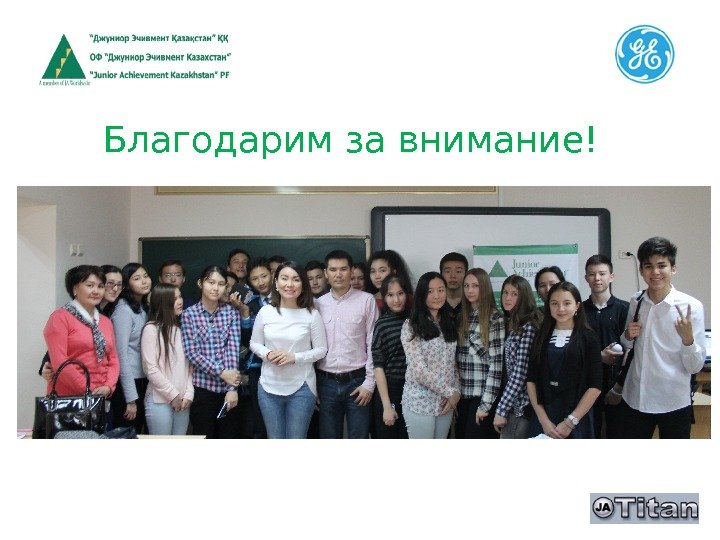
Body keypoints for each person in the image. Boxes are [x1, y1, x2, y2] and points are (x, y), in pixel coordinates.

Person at [617, 237, 705, 439]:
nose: (655, 272)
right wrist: (627, 335)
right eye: (648, 266)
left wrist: (688, 340)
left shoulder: (691, 307)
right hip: (635, 398)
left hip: (673, 402)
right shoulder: (636, 301)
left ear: (673, 268)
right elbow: (627, 343)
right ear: (641, 270)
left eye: (662, 265)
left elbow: (695, 367)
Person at [250, 261, 328, 438]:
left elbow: (321, 350)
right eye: (284, 278)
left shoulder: (311, 314)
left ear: (303, 285)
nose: (289, 284)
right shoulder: (266, 312)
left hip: (302, 388)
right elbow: (254, 343)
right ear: (276, 283)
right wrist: (267, 354)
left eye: (296, 279)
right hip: (268, 387)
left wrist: (295, 357)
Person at [315, 250, 379, 438]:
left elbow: (373, 343)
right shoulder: (318, 304)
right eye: (333, 269)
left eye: (343, 269)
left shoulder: (367, 300)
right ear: (326, 273)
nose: (338, 274)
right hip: (325, 383)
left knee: (358, 437)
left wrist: (369, 383)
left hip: (358, 381)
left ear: (351, 271)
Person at [527, 281, 602, 439]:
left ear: (577, 306)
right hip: (543, 417)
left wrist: (570, 422)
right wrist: (543, 420)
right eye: (554, 303)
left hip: (577, 417)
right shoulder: (541, 336)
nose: (560, 309)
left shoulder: (589, 338)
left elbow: (595, 385)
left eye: (567, 303)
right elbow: (531, 379)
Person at [181, 265, 243, 438]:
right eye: (211, 282)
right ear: (200, 283)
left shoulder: (231, 313)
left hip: (228, 390)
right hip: (202, 389)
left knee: (228, 439)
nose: (216, 288)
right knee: (204, 437)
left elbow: (232, 350)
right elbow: (192, 353)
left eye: (221, 284)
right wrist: (222, 372)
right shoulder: (188, 315)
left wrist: (232, 388)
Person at [43, 265, 119, 403]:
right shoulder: (60, 318)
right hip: (68, 399)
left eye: (100, 286)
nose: (96, 291)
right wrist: (90, 390)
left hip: (101, 396)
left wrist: (108, 386)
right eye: (90, 285)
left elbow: (113, 359)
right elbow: (60, 362)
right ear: (74, 289)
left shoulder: (105, 322)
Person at [401, 272, 460, 439]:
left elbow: (453, 363)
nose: (436, 296)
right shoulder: (411, 326)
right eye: (430, 291)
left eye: (441, 290)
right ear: (421, 294)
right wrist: (451, 392)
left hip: (445, 402)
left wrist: (456, 392)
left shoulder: (449, 322)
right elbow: (419, 370)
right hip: (420, 401)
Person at [582, 254, 629, 438]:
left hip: (616, 384)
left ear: (611, 276)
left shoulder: (625, 309)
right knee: (589, 434)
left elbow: (630, 349)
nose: (597, 278)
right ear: (586, 278)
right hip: (587, 383)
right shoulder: (579, 311)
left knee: (617, 435)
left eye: (602, 273)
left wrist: (619, 386)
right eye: (592, 274)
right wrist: (599, 357)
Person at [455, 268, 505, 438]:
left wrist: (485, 404)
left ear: (484, 287)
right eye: (466, 285)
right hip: (461, 395)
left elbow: (496, 366)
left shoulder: (495, 318)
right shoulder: (461, 317)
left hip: (482, 396)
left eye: (475, 286)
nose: (469, 290)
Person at [141, 284, 194, 435]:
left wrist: (189, 394)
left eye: (180, 296)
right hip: (159, 400)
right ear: (162, 302)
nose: (180, 301)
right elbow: (150, 369)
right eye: (174, 298)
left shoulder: (180, 329)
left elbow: (189, 367)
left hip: (183, 400)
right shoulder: (151, 329)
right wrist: (173, 395)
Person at [493, 275, 541, 439]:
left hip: (521, 406)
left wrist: (501, 409)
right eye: (505, 292)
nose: (507, 298)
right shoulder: (514, 323)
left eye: (514, 294)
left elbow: (520, 373)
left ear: (524, 297)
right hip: (512, 404)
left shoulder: (529, 326)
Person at [232, 258, 273, 438]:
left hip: (284, 365)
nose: (261, 282)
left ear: (272, 275)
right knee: (260, 420)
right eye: (255, 279)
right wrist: (245, 313)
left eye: (264, 276)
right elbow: (248, 341)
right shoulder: (250, 302)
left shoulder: (286, 299)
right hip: (258, 368)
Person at [111, 262, 151, 433]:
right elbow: (121, 355)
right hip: (128, 384)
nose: (144, 281)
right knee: (127, 435)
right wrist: (131, 399)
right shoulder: (123, 311)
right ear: (127, 285)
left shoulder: (143, 307)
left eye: (145, 276)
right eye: (137, 278)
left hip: (142, 380)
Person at [371, 275, 412, 438]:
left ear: (406, 294)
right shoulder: (381, 324)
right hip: (390, 389)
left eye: (400, 293)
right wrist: (387, 406)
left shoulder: (416, 319)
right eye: (390, 295)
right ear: (384, 297)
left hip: (415, 388)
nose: (396, 300)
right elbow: (378, 366)